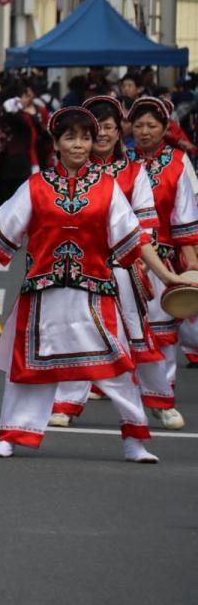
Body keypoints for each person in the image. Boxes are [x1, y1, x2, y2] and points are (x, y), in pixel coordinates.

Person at [0, 106, 186, 463]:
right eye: (70, 137)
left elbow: (136, 239)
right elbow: (5, 234)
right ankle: (12, 436)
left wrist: (167, 275)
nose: (78, 144)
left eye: (84, 137)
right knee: (28, 367)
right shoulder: (35, 187)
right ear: (56, 143)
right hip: (43, 294)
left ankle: (134, 439)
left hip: (95, 293)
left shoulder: (108, 189)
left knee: (117, 366)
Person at [49, 96, 165, 427]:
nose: (101, 136)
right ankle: (67, 404)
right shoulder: (69, 173)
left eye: (109, 128)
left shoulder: (132, 172)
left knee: (135, 329)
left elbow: (144, 224)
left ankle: (159, 397)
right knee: (77, 332)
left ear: (118, 131)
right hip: (80, 267)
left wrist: (150, 265)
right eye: (94, 130)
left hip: (122, 264)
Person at [125, 96, 198, 430]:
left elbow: (185, 220)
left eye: (151, 126)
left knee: (162, 330)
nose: (144, 132)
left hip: (162, 260)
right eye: (138, 125)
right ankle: (74, 400)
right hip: (121, 258)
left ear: (166, 128)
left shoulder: (179, 162)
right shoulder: (121, 161)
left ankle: (162, 399)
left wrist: (191, 267)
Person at [0, 90, 50, 217]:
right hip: (8, 164)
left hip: (22, 162)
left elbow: (44, 134)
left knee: (14, 202)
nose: (27, 99)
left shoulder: (33, 112)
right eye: (24, 96)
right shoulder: (8, 114)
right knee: (9, 202)